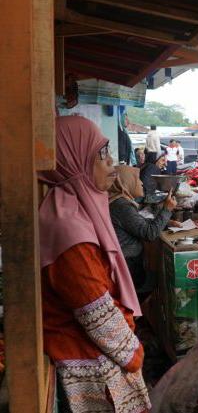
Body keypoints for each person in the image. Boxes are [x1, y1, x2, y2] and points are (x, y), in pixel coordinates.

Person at [39, 116, 150, 412]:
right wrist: (134, 353)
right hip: (90, 363)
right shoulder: (69, 229)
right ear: (74, 160)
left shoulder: (72, 209)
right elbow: (96, 313)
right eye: (102, 155)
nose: (111, 163)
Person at [109, 166, 176, 292]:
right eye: (137, 179)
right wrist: (166, 210)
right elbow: (150, 233)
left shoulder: (120, 202)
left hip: (129, 263)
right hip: (128, 266)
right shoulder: (122, 206)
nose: (141, 183)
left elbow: (137, 224)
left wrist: (166, 222)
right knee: (158, 283)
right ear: (126, 182)